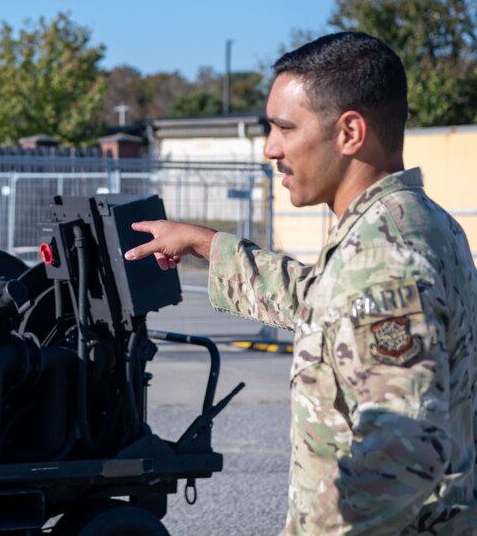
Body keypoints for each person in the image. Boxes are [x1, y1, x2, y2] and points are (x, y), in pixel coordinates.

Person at [125, 32, 477, 534]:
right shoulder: (415, 222)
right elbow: (319, 300)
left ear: (350, 132)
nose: (271, 149)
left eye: (285, 128)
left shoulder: (382, 257)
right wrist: (203, 243)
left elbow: (401, 461)